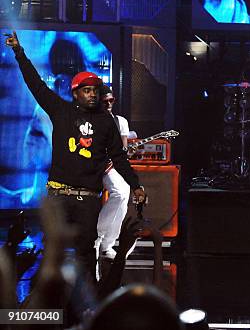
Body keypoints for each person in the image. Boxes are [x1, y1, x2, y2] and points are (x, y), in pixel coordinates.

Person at [4, 31, 146, 281]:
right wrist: (19, 51)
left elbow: (119, 157)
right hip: (58, 195)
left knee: (85, 255)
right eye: (86, 90)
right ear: (75, 93)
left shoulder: (106, 122)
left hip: (87, 199)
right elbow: (35, 84)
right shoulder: (60, 111)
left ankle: (86, 309)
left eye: (95, 90)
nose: (92, 94)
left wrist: (135, 185)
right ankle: (49, 307)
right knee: (52, 253)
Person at [96, 85, 133, 260]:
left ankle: (106, 243)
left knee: (123, 195)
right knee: (121, 193)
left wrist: (124, 153)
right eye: (105, 101)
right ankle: (99, 238)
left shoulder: (121, 121)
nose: (109, 104)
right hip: (94, 166)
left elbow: (123, 149)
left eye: (112, 100)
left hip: (112, 167)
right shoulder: (90, 119)